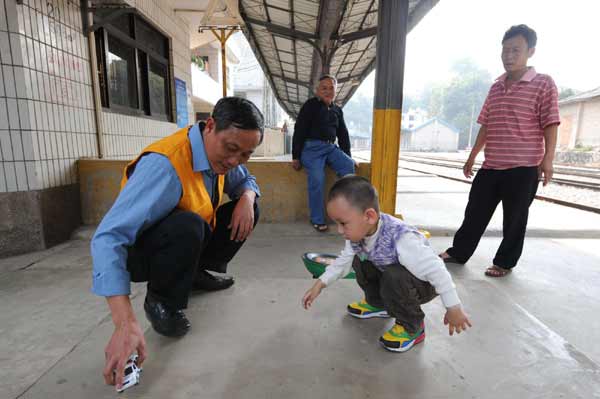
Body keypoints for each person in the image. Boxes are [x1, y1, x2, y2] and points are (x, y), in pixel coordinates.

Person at [91, 97, 264, 390]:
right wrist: (124, 323)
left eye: (246, 154)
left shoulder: (221, 154)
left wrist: (247, 197)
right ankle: (161, 300)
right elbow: (109, 238)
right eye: (232, 149)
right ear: (210, 126)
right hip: (144, 253)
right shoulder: (165, 165)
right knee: (188, 225)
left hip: (187, 239)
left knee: (249, 209)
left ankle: (193, 274)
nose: (235, 160)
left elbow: (244, 179)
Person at [439, 24, 560, 277]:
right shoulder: (495, 87)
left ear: (531, 51)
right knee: (475, 211)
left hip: (524, 167)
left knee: (514, 220)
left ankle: (504, 263)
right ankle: (459, 252)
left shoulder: (543, 84)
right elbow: (487, 125)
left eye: (516, 50)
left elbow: (550, 122)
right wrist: (472, 157)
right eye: (505, 50)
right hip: (491, 165)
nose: (509, 56)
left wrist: (548, 160)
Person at [302, 175, 471, 352]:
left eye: (343, 223)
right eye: (337, 223)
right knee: (358, 261)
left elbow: (438, 271)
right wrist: (320, 284)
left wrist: (454, 308)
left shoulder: (402, 239)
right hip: (394, 277)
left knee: (394, 275)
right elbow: (343, 262)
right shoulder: (358, 235)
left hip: (423, 284)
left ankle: (412, 326)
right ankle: (378, 304)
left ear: (369, 216)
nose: (339, 230)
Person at [292, 74, 356, 232]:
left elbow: (343, 134)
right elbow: (299, 129)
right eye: (324, 88)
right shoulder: (310, 106)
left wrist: (348, 156)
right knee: (317, 178)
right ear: (317, 91)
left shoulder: (337, 110)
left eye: (331, 88)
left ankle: (345, 213)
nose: (328, 91)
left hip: (330, 148)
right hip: (311, 148)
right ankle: (317, 219)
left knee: (348, 167)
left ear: (336, 90)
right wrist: (296, 156)